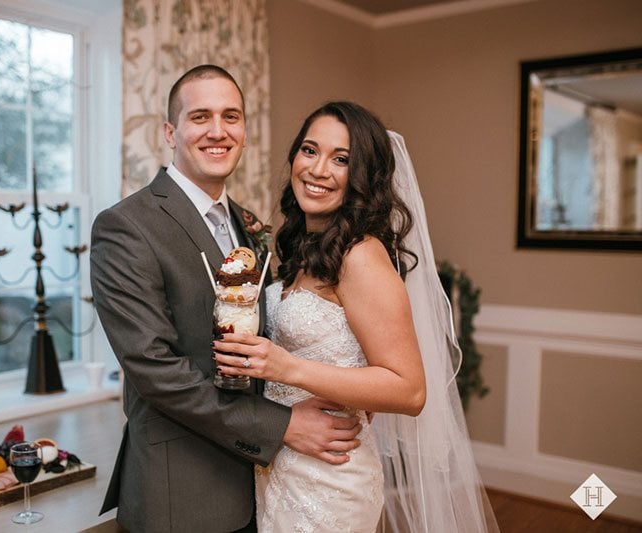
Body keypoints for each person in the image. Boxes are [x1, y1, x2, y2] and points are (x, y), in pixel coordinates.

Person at [90, 67, 362, 532]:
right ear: (170, 132)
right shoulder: (126, 226)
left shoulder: (249, 224)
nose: (218, 131)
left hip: (264, 484)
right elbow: (157, 372)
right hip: (183, 493)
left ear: (244, 131)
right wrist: (283, 425)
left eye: (230, 116)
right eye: (201, 117)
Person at [215, 101, 499, 532]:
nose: (318, 169)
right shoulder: (303, 246)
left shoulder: (360, 255)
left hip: (331, 478)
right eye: (310, 151)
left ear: (363, 176)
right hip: (284, 464)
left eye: (341, 159)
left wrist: (287, 367)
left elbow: (409, 390)